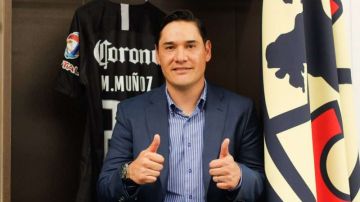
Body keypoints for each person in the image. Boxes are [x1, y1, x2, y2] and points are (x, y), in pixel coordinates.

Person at [97, 9, 264, 202]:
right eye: (169, 47)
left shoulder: (240, 110)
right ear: (157, 55)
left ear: (207, 51)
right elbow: (105, 188)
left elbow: (259, 184)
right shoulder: (131, 112)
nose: (180, 57)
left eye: (190, 46)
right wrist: (130, 174)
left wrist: (240, 177)